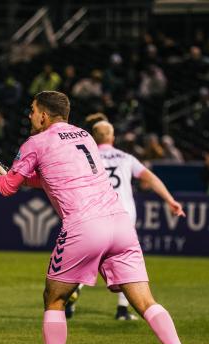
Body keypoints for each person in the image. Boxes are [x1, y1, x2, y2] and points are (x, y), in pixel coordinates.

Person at [0, 91, 204, 344]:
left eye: (32, 111)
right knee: (146, 302)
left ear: (44, 114)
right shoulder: (83, 135)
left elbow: (6, 188)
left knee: (54, 298)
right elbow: (49, 178)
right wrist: (12, 171)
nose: (29, 116)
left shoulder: (35, 142)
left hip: (84, 226)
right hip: (120, 225)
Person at [70, 119, 184, 321]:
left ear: (94, 138)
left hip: (95, 216)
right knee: (125, 265)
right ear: (112, 138)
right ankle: (123, 309)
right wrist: (170, 200)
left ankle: (74, 289)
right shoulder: (126, 158)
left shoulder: (87, 157)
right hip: (123, 219)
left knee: (90, 258)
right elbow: (149, 178)